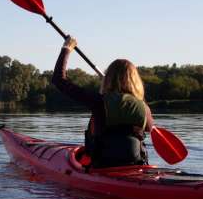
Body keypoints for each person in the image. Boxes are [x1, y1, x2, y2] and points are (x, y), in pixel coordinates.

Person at [52, 36, 154, 168]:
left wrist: (66, 48)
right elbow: (150, 128)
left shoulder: (98, 101)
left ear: (108, 79)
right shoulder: (144, 108)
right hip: (136, 165)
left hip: (103, 166)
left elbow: (59, 80)